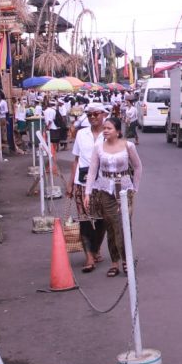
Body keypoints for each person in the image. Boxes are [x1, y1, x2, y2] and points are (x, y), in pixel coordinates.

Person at [86, 116, 143, 278]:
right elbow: (92, 171)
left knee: (122, 224)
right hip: (105, 190)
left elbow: (138, 167)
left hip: (125, 190)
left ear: (118, 131)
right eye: (104, 128)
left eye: (109, 128)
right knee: (110, 226)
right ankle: (114, 262)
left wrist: (135, 188)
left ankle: (126, 260)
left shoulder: (128, 146)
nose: (105, 131)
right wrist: (88, 192)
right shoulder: (99, 148)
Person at [70, 103, 109, 272]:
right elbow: (76, 159)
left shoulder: (109, 134)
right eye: (89, 114)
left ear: (103, 114)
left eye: (96, 114)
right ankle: (89, 257)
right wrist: (70, 183)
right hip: (82, 181)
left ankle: (96, 248)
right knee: (84, 219)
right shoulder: (81, 134)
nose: (92, 117)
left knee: (102, 219)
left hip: (103, 183)